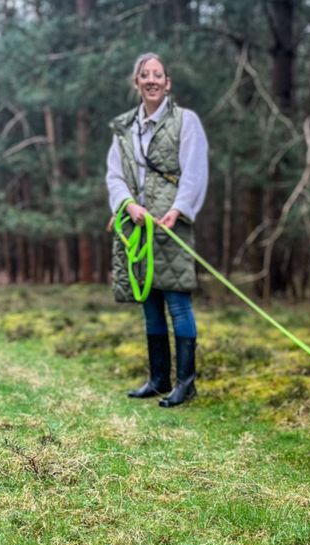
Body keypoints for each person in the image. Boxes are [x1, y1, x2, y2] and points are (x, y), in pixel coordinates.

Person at [105, 52, 209, 408]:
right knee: (149, 304)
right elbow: (114, 175)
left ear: (167, 83)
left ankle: (186, 384)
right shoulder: (123, 128)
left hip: (172, 228)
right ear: (137, 82)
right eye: (144, 75)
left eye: (158, 75)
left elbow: (194, 171)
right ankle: (158, 379)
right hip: (137, 227)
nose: (151, 80)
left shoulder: (186, 121)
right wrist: (128, 205)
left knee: (178, 303)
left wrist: (178, 209)